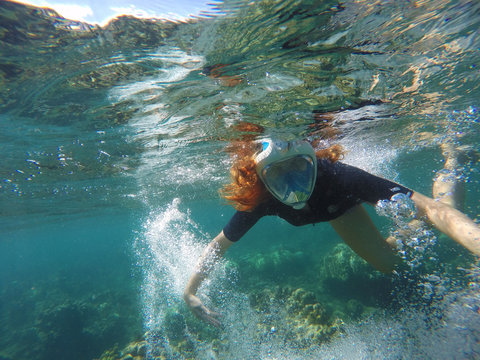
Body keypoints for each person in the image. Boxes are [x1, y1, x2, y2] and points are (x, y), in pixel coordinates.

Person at [183, 137, 480, 327]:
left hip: (341, 205)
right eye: (278, 174)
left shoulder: (340, 177)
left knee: (443, 208)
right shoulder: (262, 197)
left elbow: (430, 208)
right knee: (390, 263)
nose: (294, 186)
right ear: (261, 178)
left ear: (313, 162)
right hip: (333, 211)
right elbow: (220, 245)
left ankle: (454, 161)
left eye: (299, 167)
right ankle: (426, 220)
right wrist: (190, 291)